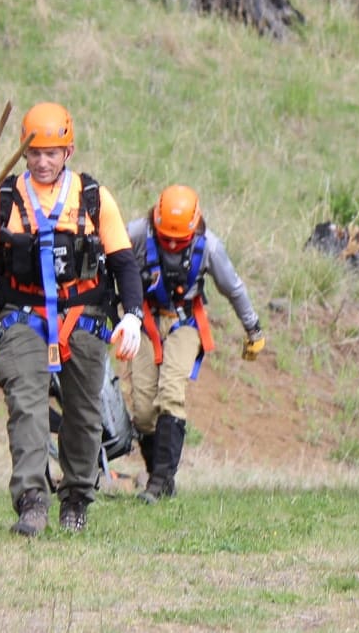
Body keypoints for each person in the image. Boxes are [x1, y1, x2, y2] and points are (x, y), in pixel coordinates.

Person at [0, 102, 144, 536]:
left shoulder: (93, 197)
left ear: (68, 151)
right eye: (34, 153)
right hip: (22, 316)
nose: (42, 161)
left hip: (85, 317)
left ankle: (75, 498)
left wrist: (132, 316)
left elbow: (124, 262)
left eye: (52, 153)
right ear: (23, 152)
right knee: (26, 405)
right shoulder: (3, 198)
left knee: (83, 413)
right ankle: (32, 500)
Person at [125, 184, 265, 504]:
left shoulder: (210, 247)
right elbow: (112, 263)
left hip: (184, 322)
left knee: (171, 392)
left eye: (180, 239)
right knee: (144, 411)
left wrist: (253, 329)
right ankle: (159, 476)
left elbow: (234, 288)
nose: (172, 244)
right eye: (166, 238)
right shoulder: (135, 233)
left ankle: (160, 482)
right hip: (144, 321)